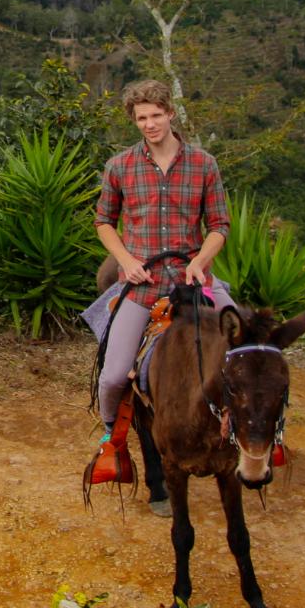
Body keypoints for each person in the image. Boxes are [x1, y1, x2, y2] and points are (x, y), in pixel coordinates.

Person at [93, 79, 231, 439]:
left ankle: (258, 435)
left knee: (246, 348)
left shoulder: (204, 164)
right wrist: (125, 260)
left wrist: (200, 261)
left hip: (194, 283)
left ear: (170, 113)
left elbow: (219, 225)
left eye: (156, 115)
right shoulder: (120, 166)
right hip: (143, 287)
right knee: (111, 376)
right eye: (141, 118)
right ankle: (113, 439)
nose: (149, 124)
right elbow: (104, 222)